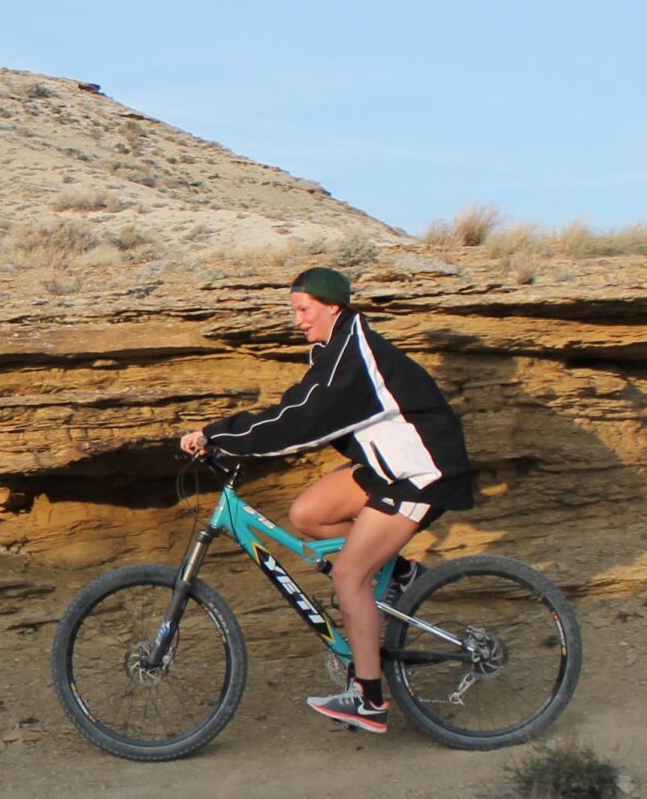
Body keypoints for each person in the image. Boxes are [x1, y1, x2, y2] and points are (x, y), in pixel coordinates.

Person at [177, 266, 474, 732]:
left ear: (333, 305)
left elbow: (300, 423)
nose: (297, 320)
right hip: (386, 467)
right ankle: (400, 573)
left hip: (422, 472)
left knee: (350, 576)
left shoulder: (354, 358)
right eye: (295, 311)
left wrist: (220, 436)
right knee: (308, 513)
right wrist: (225, 434)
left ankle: (370, 698)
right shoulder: (334, 352)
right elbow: (290, 408)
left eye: (303, 309)